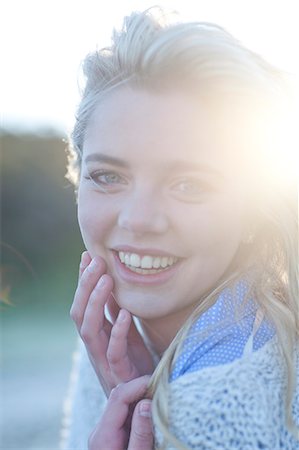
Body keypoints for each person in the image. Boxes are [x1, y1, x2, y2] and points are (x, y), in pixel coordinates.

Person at [60, 6, 299, 450]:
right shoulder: (114, 338)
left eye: (189, 184)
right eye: (109, 176)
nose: (138, 219)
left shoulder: (238, 398)